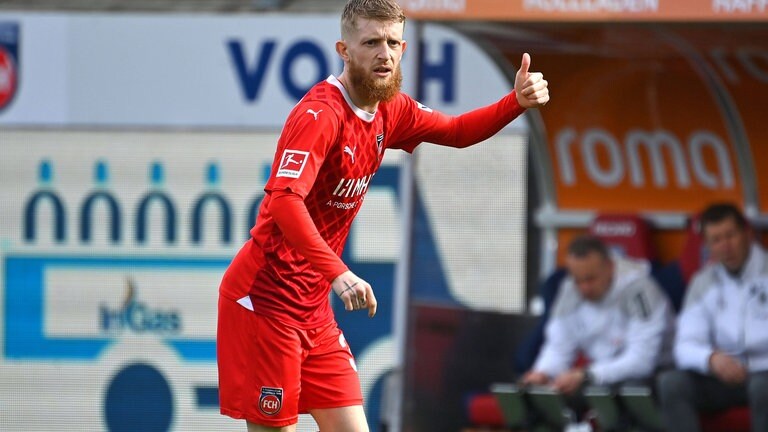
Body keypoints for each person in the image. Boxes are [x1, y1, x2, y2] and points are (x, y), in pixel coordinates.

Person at [216, 0, 550, 430]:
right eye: (371, 42)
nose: (384, 53)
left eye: (393, 42)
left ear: (404, 47)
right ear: (344, 50)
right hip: (265, 301)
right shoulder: (320, 114)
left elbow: (458, 131)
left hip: (313, 307)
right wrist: (340, 273)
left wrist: (516, 102)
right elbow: (283, 202)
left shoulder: (391, 110)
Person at [520, 235, 674, 426]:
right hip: (600, 374)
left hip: (653, 374)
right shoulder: (569, 290)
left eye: (591, 279)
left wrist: (587, 375)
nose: (584, 288)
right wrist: (543, 373)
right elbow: (559, 347)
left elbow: (642, 361)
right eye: (578, 280)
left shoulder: (639, 290)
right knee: (537, 396)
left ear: (609, 267)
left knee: (628, 393)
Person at [657, 203, 768, 432]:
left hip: (765, 375)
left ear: (747, 234)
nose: (725, 246)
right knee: (671, 383)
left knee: (761, 386)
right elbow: (684, 346)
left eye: (730, 236)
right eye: (716, 240)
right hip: (726, 377)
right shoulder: (703, 282)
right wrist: (710, 359)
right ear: (707, 245)